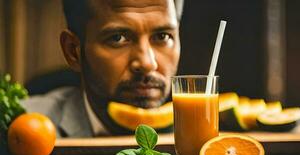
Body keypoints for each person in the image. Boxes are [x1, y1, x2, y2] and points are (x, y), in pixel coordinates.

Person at [22, 0, 184, 137]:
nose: (148, 63)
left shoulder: (205, 133)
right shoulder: (17, 128)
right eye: (118, 38)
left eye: (163, 36)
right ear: (73, 51)